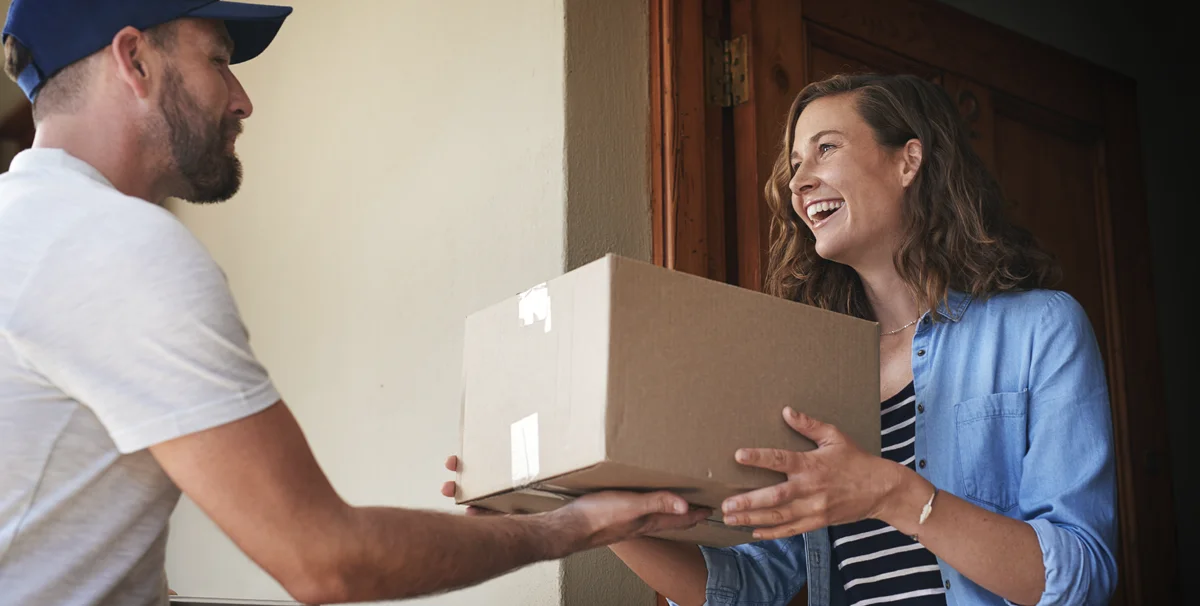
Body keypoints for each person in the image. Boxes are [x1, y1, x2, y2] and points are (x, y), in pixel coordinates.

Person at [0, 1, 708, 604]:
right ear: (136, 61)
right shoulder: (115, 246)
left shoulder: (28, 230)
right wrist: (574, 526)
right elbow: (325, 559)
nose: (242, 97)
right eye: (217, 59)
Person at [513, 74, 1117, 605]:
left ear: (909, 160)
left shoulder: (1041, 330)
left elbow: (1079, 577)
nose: (800, 181)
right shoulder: (809, 374)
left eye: (825, 148)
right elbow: (746, 589)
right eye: (795, 164)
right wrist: (594, 518)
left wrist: (891, 493)